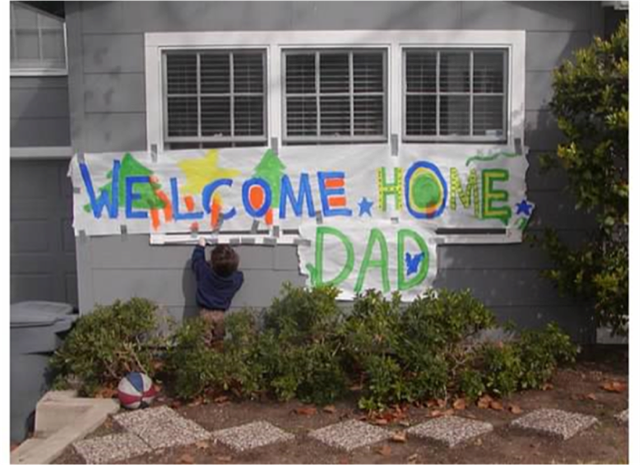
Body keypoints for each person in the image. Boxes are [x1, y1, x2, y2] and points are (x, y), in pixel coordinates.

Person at [191, 236, 244, 344]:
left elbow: (197, 262)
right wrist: (230, 266)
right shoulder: (235, 279)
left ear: (212, 263)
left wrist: (200, 247)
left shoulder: (205, 272)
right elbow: (239, 276)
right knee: (219, 340)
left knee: (203, 340)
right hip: (221, 314)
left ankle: (203, 357)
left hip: (204, 312)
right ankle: (217, 357)